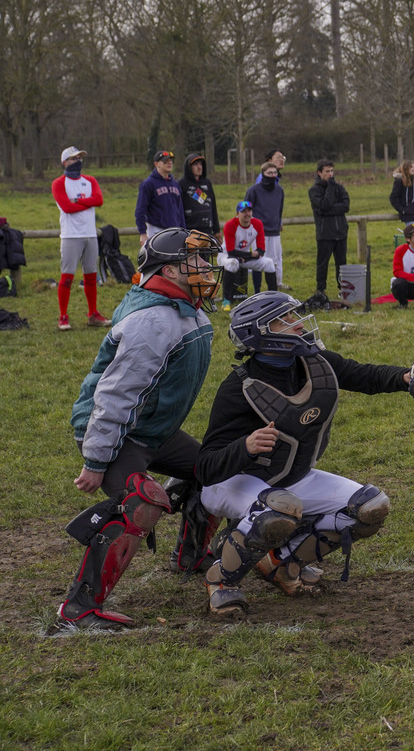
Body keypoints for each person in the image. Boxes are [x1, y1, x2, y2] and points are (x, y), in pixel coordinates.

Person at [193, 292, 414, 615]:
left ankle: (281, 564)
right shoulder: (238, 388)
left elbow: (364, 375)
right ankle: (220, 581)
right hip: (232, 481)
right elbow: (205, 469)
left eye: (294, 315)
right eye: (285, 319)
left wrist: (407, 378)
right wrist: (244, 447)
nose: (298, 323)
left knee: (370, 507)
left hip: (287, 479)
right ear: (261, 333)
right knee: (278, 509)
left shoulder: (315, 362)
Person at [51, 228, 222, 632]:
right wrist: (96, 460)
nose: (205, 267)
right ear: (170, 271)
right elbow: (116, 395)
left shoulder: (184, 306)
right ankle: (79, 608)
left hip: (148, 430)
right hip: (114, 433)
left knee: (216, 468)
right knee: (142, 502)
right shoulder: (153, 321)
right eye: (195, 260)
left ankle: (192, 554)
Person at [52, 146, 111, 331]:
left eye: (79, 158)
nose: (77, 161)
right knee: (67, 278)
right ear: (64, 162)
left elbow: (99, 200)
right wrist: (87, 202)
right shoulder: (59, 183)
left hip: (90, 235)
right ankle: (63, 317)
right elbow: (67, 207)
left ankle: (93, 314)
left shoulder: (90, 180)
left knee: (91, 276)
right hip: (71, 236)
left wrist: (78, 201)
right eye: (73, 159)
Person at [307, 160, 350, 306]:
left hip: (341, 232)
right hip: (325, 233)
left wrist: (329, 210)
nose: (330, 174)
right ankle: (321, 289)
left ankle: (343, 288)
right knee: (323, 263)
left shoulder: (339, 188)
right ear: (319, 173)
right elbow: (323, 205)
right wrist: (330, 189)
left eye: (332, 171)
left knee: (341, 262)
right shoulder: (314, 190)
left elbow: (346, 206)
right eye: (327, 171)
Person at [221, 201, 278, 304]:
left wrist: (249, 256)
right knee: (232, 263)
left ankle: (274, 299)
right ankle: (226, 301)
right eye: (243, 211)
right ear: (237, 214)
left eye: (249, 211)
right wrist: (251, 255)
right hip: (226, 256)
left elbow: (261, 249)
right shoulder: (230, 225)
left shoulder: (257, 223)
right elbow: (230, 251)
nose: (247, 214)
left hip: (244, 257)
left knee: (269, 263)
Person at [244, 161, 287, 295]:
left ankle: (272, 292)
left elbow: (280, 209)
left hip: (274, 231)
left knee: (273, 262)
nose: (273, 175)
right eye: (269, 173)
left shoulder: (279, 190)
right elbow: (246, 209)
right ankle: (257, 291)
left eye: (275, 173)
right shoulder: (253, 190)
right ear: (263, 174)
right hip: (258, 232)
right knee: (258, 261)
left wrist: (279, 222)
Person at [134, 150, 185, 246]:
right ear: (156, 164)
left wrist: (184, 230)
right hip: (156, 230)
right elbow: (140, 210)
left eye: (171, 161)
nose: (169, 163)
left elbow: (180, 210)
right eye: (165, 161)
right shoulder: (148, 184)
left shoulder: (175, 184)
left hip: (175, 230)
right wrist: (142, 233)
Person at [179, 153, 220, 238]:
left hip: (207, 229)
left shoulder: (207, 183)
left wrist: (217, 230)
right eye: (195, 164)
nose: (199, 167)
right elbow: (179, 209)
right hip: (190, 231)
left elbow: (213, 206)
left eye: (200, 164)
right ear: (189, 167)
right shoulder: (182, 184)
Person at [389, 160, 414, 228]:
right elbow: (393, 198)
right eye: (411, 167)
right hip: (408, 215)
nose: (413, 169)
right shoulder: (399, 182)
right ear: (405, 169)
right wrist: (402, 210)